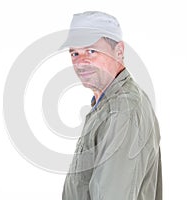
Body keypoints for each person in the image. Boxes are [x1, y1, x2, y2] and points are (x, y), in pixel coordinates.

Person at [61, 11, 162, 200]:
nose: (80, 62)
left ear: (119, 51)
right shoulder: (106, 105)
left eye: (91, 51)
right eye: (75, 53)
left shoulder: (124, 110)